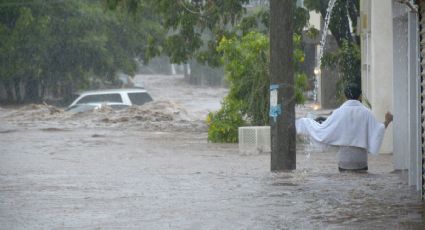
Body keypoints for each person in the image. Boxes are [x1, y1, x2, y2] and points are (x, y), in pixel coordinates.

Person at [296, 83, 393, 172]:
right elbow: (378, 131)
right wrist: (387, 121)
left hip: (344, 161)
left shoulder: (339, 112)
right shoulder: (367, 113)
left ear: (345, 96)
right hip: (361, 161)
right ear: (360, 96)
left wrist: (305, 123)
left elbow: (323, 130)